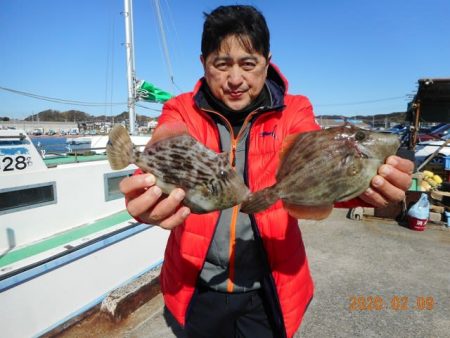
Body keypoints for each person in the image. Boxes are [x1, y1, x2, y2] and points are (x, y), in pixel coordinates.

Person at [120, 5, 413, 338]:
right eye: (221, 64)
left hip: (270, 286)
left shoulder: (294, 110)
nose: (235, 79)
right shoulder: (181, 109)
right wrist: (148, 197)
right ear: (203, 63)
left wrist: (366, 186)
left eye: (248, 64)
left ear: (266, 61)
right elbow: (168, 139)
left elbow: (319, 168)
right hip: (196, 285)